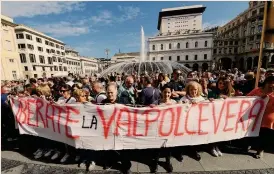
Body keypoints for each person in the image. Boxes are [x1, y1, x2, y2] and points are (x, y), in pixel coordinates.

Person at [247, 76, 274, 158]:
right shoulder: (257, 90)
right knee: (253, 131)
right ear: (265, 83)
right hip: (256, 116)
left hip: (268, 119)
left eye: (273, 83)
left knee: (265, 135)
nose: (272, 85)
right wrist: (258, 97)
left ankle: (260, 150)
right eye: (270, 83)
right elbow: (247, 98)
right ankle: (250, 144)